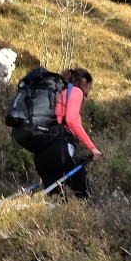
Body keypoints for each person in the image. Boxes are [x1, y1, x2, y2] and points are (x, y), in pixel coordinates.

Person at [33, 67, 101, 199]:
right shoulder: (76, 91)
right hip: (59, 150)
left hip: (41, 153)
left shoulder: (58, 93)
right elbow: (71, 120)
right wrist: (92, 148)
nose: (89, 91)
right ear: (84, 81)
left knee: (56, 202)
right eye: (89, 87)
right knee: (86, 194)